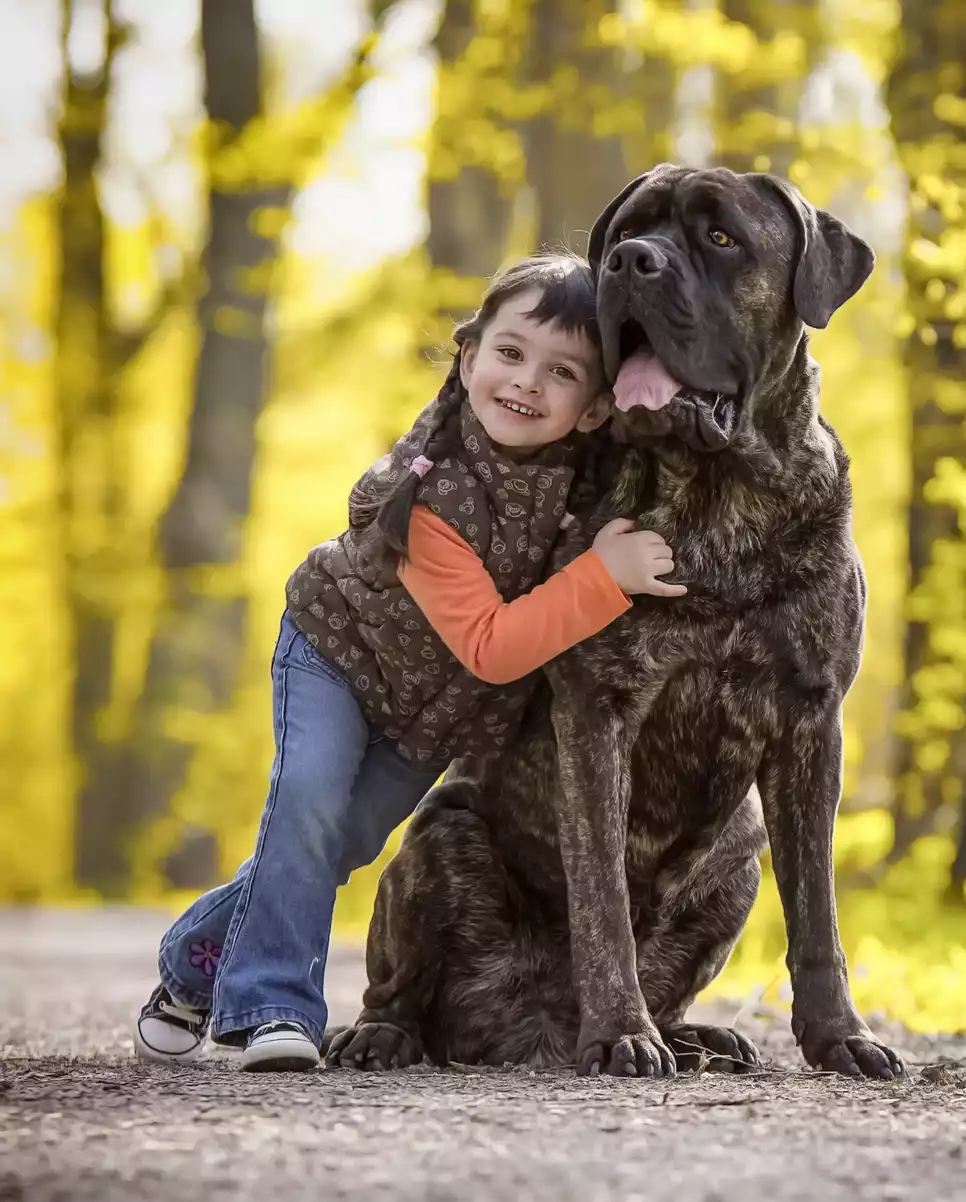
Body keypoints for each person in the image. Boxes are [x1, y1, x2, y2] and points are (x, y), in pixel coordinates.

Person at [133, 252, 680, 1071]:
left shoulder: (587, 486)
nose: (526, 381)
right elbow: (494, 649)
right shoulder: (428, 492)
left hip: (432, 713)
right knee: (308, 806)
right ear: (468, 359)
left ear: (597, 408)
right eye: (509, 353)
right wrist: (603, 577)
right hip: (339, 657)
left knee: (338, 843)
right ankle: (273, 1008)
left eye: (561, 371)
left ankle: (190, 964)